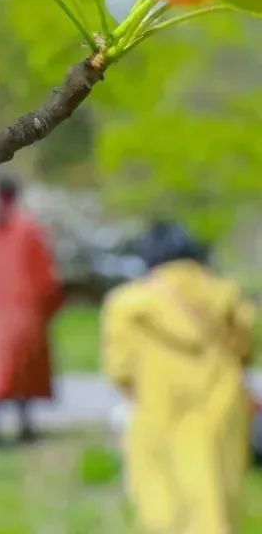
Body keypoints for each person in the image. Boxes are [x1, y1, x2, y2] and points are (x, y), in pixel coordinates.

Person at [102, 221, 256, 534]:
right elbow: (246, 348)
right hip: (222, 408)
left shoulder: (127, 305)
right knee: (217, 500)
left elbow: (119, 369)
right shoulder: (227, 295)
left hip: (160, 409)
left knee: (164, 504)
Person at [0, 178, 62, 446]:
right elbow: (47, 277)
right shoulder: (30, 230)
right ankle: (22, 426)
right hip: (26, 310)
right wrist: (49, 308)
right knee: (23, 368)